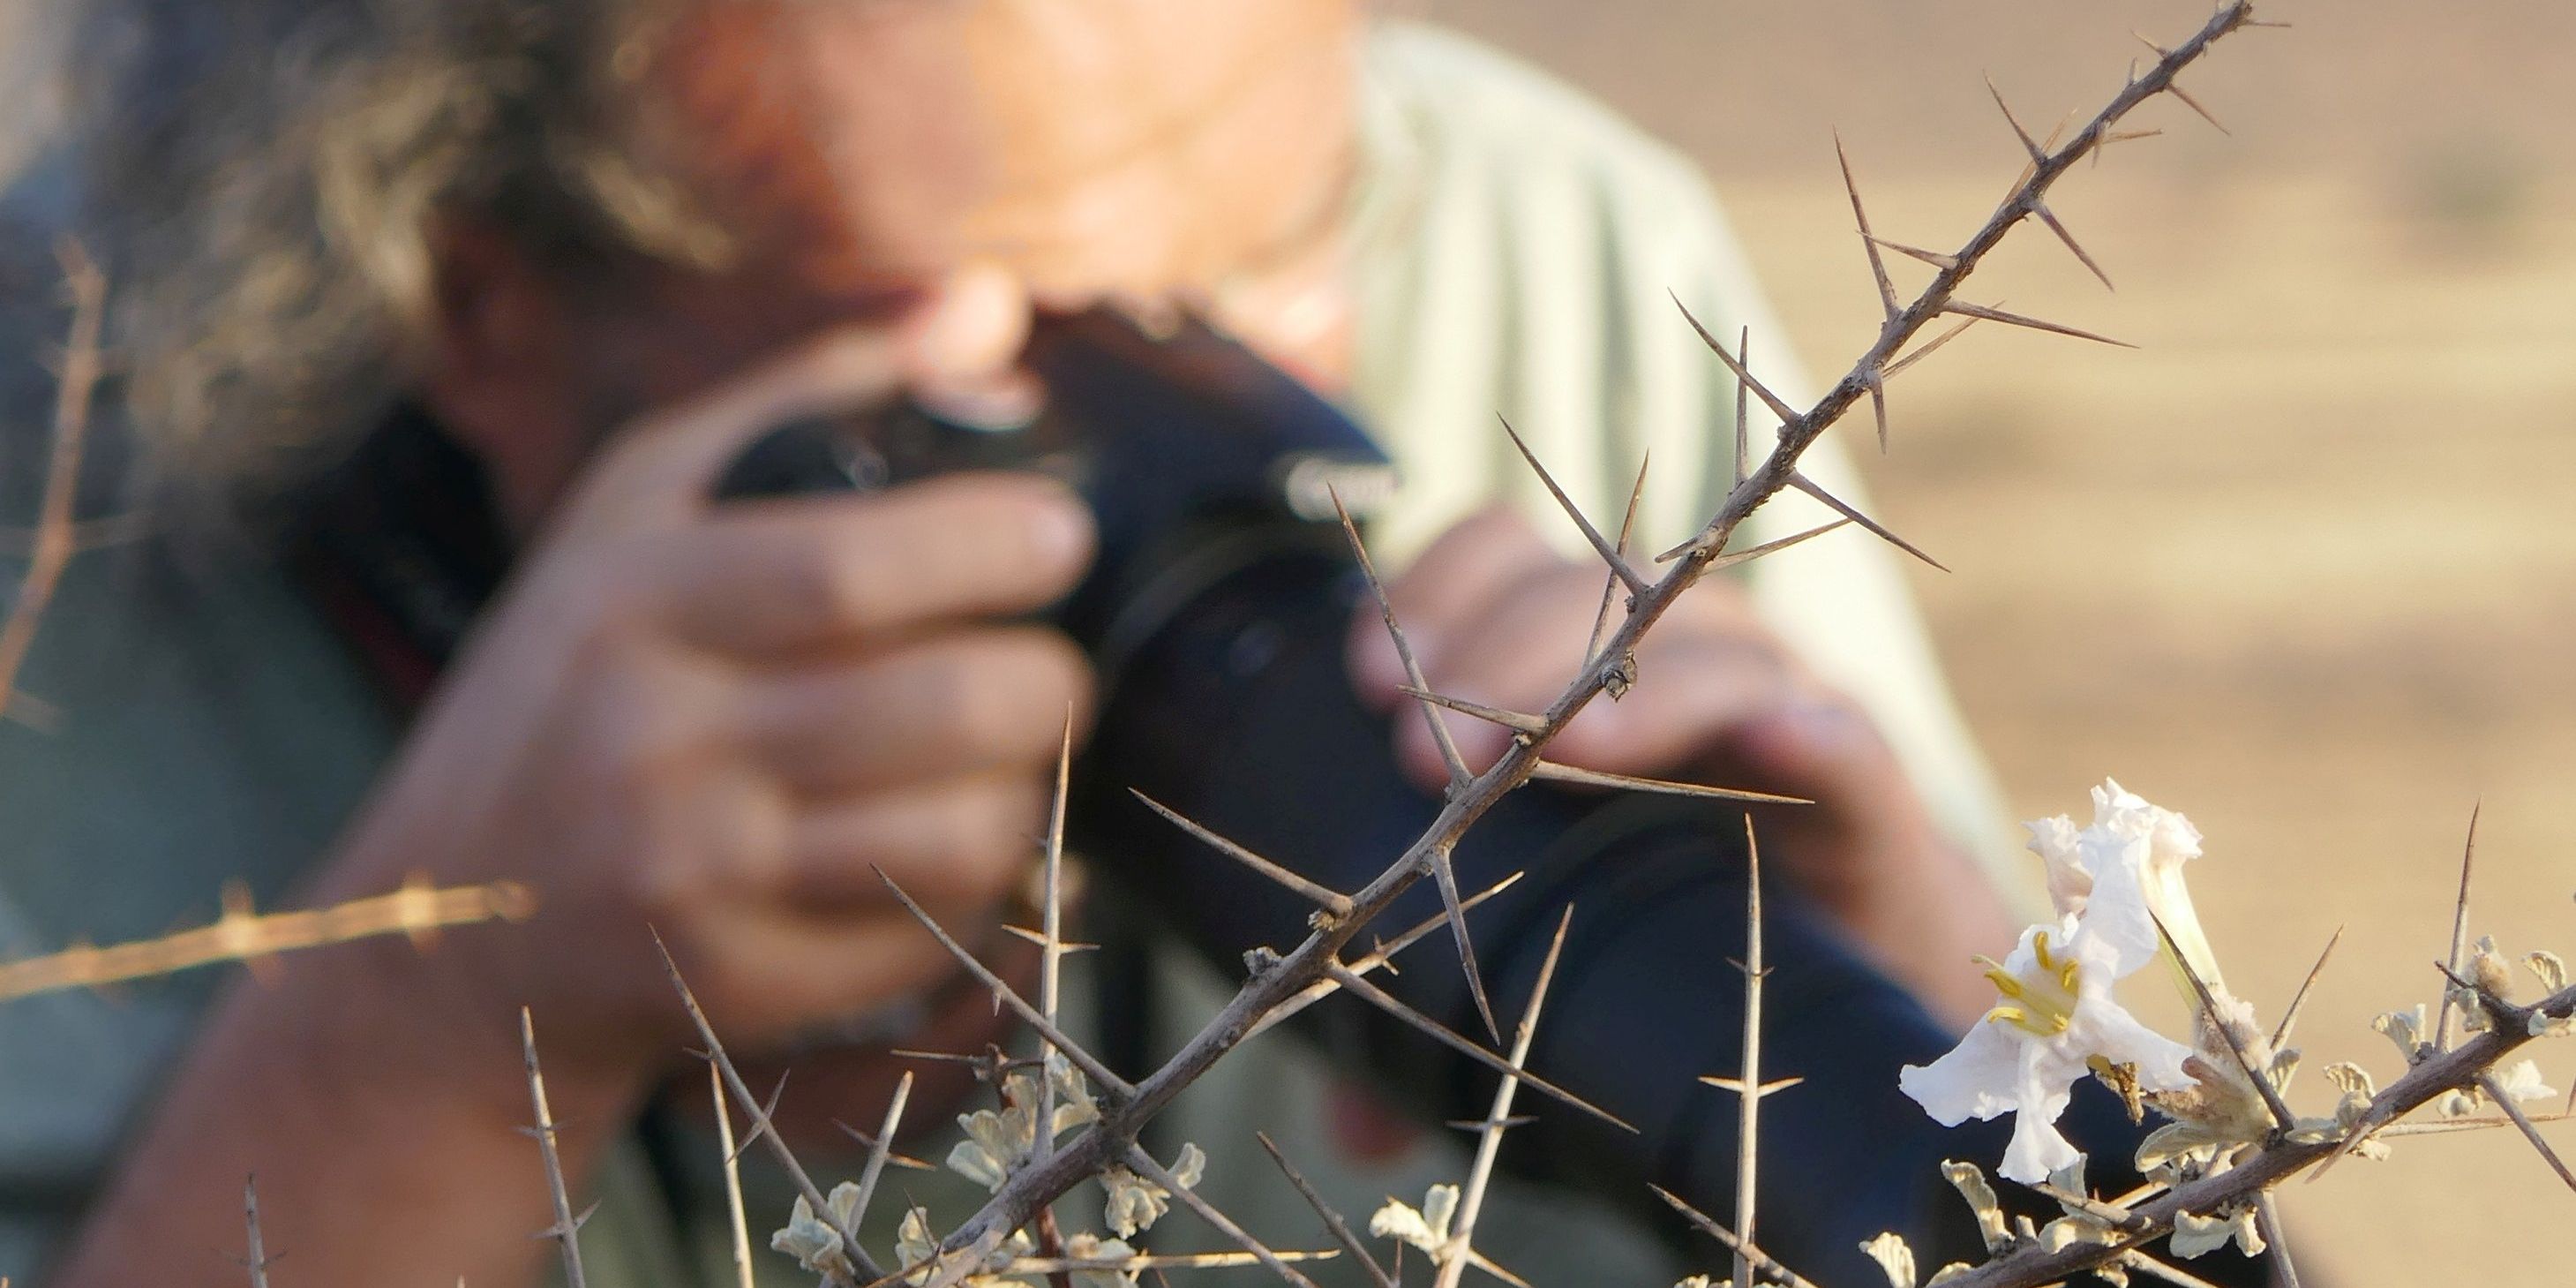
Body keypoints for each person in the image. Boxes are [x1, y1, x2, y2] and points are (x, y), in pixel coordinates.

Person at [0, 1, 2105, 1284]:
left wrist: (1936, 1022)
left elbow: (2185, 1239)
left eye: (1288, 261)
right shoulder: (67, 518)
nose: (1241, 440)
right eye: (1036, 366)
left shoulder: (1541, 246)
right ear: (482, 314)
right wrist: (439, 1024)